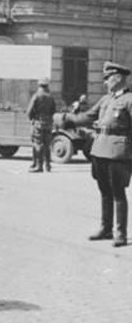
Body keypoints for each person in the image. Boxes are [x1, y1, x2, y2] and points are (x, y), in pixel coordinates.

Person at [62, 61, 132, 247]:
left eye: (107, 78)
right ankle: (105, 228)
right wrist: (66, 120)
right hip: (99, 150)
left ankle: (120, 233)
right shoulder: (106, 100)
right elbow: (87, 117)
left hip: (118, 153)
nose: (105, 82)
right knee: (104, 191)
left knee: (118, 193)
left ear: (118, 78)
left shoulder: (129, 100)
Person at [27, 78, 56, 172]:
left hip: (38, 123)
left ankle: (39, 166)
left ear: (39, 85)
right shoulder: (50, 97)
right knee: (47, 145)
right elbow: (53, 111)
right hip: (48, 124)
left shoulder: (36, 96)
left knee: (37, 143)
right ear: (47, 86)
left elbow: (29, 111)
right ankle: (48, 165)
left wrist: (32, 118)